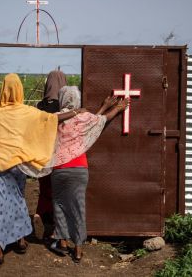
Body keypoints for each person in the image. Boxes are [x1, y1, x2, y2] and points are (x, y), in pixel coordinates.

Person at [0, 74, 85, 267]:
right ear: (19, 90)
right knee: (18, 200)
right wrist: (75, 113)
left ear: (4, 89)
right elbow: (50, 120)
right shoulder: (27, 112)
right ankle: (20, 241)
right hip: (18, 165)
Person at [49, 86, 129, 263]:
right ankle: (77, 249)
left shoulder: (55, 118)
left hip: (59, 168)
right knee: (78, 207)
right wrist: (117, 107)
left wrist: (104, 106)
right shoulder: (83, 117)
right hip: (79, 169)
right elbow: (99, 120)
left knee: (59, 204)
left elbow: (92, 121)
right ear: (76, 99)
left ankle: (62, 242)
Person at [34, 70, 67, 239]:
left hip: (41, 154)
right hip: (59, 155)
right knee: (58, 192)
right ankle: (55, 225)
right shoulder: (63, 107)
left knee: (44, 189)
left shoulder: (40, 107)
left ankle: (39, 214)